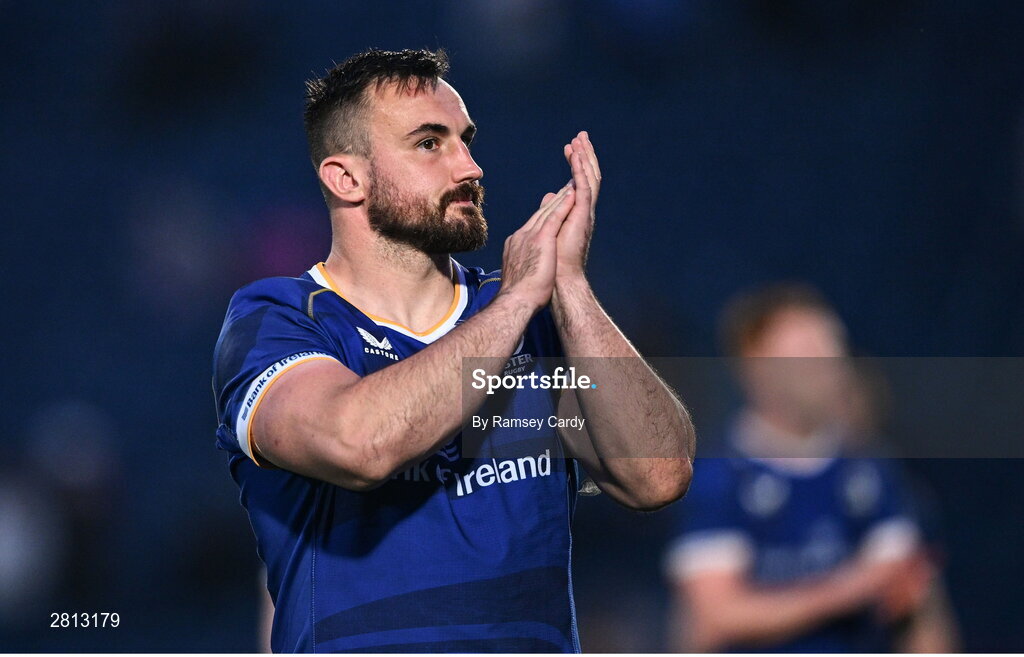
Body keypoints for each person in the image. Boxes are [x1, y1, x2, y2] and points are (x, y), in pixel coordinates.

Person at [212, 48, 694, 653]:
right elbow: (358, 442)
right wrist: (517, 303)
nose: (469, 167)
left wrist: (569, 284)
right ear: (347, 177)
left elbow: (656, 476)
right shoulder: (278, 319)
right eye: (429, 143)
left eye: (466, 140)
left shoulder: (539, 315)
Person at [664, 283, 957, 652]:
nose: (829, 362)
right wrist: (856, 585)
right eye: (807, 349)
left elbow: (915, 598)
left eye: (833, 344)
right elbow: (715, 616)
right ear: (756, 365)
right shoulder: (720, 477)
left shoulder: (870, 468)